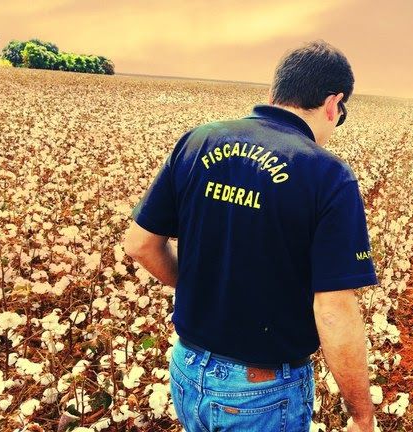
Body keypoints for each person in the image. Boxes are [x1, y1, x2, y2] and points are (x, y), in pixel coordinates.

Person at [123, 40, 379, 432]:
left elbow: (139, 245)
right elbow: (333, 310)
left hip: (186, 371)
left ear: (275, 92)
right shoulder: (328, 175)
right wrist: (362, 415)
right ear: (334, 104)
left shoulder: (197, 141)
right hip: (262, 394)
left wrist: (201, 287)